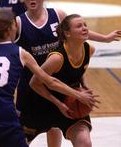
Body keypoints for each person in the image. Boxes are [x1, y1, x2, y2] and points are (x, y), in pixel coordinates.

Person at [15, 0, 121, 147]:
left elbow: (77, 30)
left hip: (61, 85)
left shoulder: (57, 15)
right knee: (21, 138)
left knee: (56, 128)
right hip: (33, 88)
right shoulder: (19, 22)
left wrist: (105, 38)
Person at [0, 8, 98, 146]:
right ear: (9, 30)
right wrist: (78, 95)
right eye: (14, 26)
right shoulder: (19, 52)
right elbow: (49, 81)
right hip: (3, 111)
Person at [29, 14, 97, 147]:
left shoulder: (89, 50)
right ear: (67, 33)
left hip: (72, 104)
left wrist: (85, 88)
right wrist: (58, 103)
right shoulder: (56, 58)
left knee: (85, 143)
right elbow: (34, 83)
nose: (84, 28)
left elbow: (78, 72)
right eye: (79, 26)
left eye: (85, 25)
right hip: (45, 103)